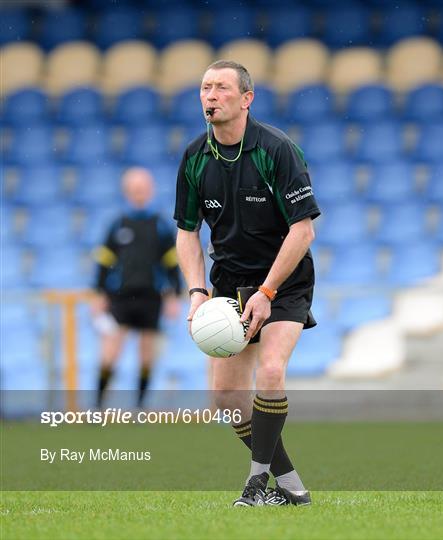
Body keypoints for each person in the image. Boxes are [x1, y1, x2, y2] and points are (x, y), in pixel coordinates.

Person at [174, 61, 320, 507]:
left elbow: (303, 231)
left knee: (271, 371)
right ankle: (292, 486)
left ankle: (255, 484)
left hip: (284, 279)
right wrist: (198, 291)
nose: (210, 95)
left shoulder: (277, 150)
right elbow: (186, 232)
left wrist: (267, 292)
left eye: (220, 87)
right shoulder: (195, 157)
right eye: (204, 88)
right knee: (225, 397)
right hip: (228, 283)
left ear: (246, 98)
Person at [92, 167, 182, 409]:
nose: (139, 193)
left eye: (143, 189)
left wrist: (174, 295)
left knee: (146, 356)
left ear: (150, 190)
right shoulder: (117, 225)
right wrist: (99, 294)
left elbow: (172, 262)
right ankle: (98, 406)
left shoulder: (161, 226)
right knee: (110, 354)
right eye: (134, 190)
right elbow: (104, 261)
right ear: (127, 192)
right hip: (120, 298)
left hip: (151, 298)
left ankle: (139, 407)